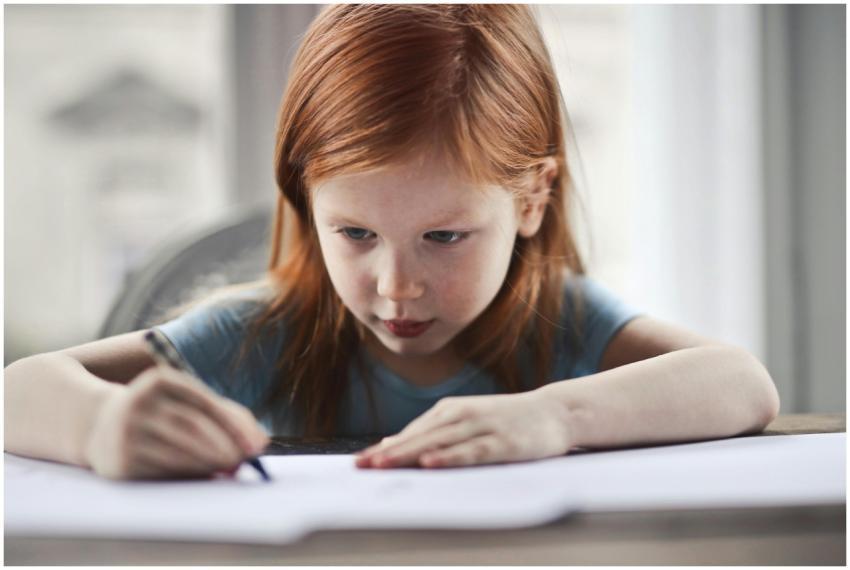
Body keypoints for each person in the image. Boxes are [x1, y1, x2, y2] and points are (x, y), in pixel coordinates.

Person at [4, 4, 780, 479]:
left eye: (444, 235)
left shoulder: (559, 322)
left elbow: (742, 384)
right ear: (306, 202)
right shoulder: (263, 333)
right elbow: (18, 391)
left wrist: (557, 417)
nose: (396, 284)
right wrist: (99, 426)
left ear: (532, 199)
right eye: (355, 233)